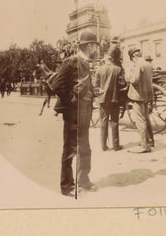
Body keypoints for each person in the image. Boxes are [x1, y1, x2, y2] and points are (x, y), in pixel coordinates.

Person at [51, 31, 100, 196]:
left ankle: (83, 180)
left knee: (85, 148)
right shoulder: (71, 62)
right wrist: (72, 99)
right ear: (88, 46)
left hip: (85, 112)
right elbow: (57, 85)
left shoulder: (86, 63)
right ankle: (66, 186)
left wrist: (93, 93)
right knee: (70, 149)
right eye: (95, 46)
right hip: (73, 113)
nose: (96, 49)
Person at [94, 54, 126, 152]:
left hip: (103, 100)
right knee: (114, 122)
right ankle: (116, 146)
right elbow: (122, 84)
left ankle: (104, 146)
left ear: (105, 60)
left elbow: (96, 86)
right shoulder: (118, 69)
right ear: (111, 60)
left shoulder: (99, 70)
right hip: (114, 99)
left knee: (103, 122)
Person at [126, 48, 154, 153]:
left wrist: (128, 76)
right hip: (147, 95)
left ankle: (144, 146)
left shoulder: (138, 64)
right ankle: (150, 141)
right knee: (146, 118)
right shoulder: (148, 64)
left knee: (140, 121)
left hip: (138, 96)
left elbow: (135, 80)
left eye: (131, 60)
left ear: (134, 57)